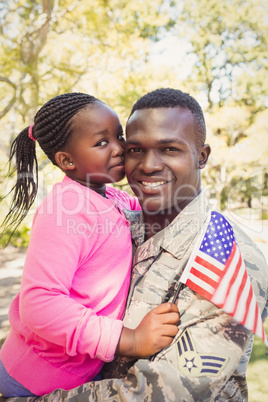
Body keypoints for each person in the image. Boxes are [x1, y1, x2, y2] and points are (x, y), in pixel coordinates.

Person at [12, 87, 268, 402]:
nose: (148, 165)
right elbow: (43, 299)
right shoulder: (116, 218)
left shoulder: (224, 258)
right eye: (134, 149)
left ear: (201, 157)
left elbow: (160, 395)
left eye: (170, 149)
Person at [0, 92, 180, 398]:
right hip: (31, 380)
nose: (119, 148)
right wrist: (130, 339)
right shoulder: (67, 206)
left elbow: (149, 210)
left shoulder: (110, 197)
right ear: (67, 160)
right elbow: (40, 303)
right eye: (102, 142)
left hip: (73, 375)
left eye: (119, 137)